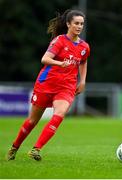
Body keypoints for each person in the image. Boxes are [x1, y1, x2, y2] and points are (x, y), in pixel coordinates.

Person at [7, 9, 90, 161]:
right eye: (76, 23)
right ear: (68, 24)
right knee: (32, 121)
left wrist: (83, 80)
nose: (79, 26)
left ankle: (36, 149)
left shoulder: (84, 47)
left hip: (66, 87)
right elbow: (45, 59)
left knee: (59, 114)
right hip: (46, 83)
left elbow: (83, 62)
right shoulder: (59, 41)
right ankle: (14, 147)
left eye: (82, 24)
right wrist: (60, 63)